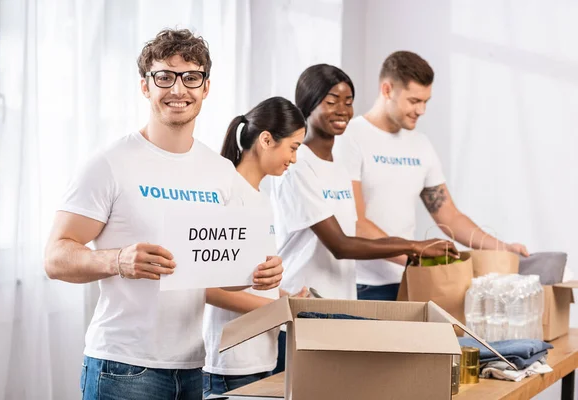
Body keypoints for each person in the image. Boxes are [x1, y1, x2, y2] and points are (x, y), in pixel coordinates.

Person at [43, 29, 283, 400]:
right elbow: (55, 258)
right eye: (164, 77)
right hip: (121, 368)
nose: (178, 89)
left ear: (205, 88)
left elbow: (218, 270)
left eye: (191, 77)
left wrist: (258, 273)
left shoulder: (220, 172)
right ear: (145, 86)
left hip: (191, 368)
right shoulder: (110, 163)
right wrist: (118, 259)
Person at [269, 64, 458, 374]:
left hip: (339, 312)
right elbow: (341, 245)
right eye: (331, 101)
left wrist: (415, 251)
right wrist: (413, 248)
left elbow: (353, 230)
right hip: (300, 316)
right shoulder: (298, 164)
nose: (342, 110)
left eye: (348, 100)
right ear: (307, 104)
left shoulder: (339, 166)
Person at [333, 51, 529, 302]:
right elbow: (355, 222)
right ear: (387, 89)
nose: (421, 110)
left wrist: (501, 248)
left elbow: (449, 214)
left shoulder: (421, 144)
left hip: (411, 280)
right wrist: (415, 255)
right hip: (362, 284)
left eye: (426, 101)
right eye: (414, 100)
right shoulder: (350, 138)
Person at [202, 96, 308, 397]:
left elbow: (249, 278)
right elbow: (206, 287)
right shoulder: (223, 193)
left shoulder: (261, 197)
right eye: (293, 147)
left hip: (262, 356)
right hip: (230, 364)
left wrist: (286, 298)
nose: (294, 158)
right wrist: (279, 308)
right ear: (266, 139)